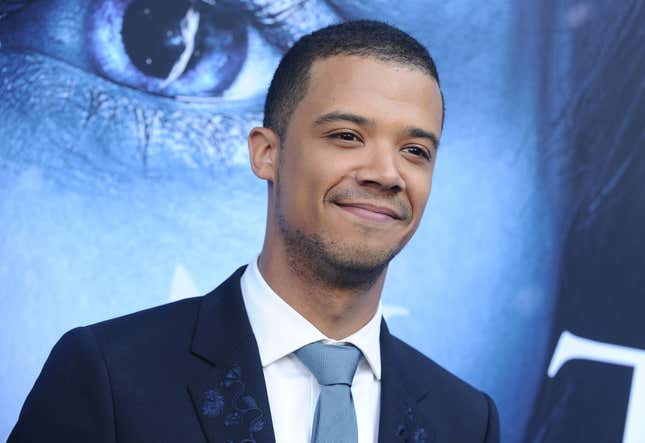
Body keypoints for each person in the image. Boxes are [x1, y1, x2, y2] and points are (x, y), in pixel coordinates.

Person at [8, 20, 499, 443]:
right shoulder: (109, 374)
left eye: (415, 150)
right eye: (347, 136)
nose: (386, 173)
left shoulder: (465, 420)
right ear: (266, 153)